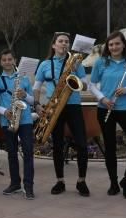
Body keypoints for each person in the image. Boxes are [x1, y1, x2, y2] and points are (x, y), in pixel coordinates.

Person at [33, 32, 90, 196]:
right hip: (54, 108)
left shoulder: (76, 63)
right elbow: (36, 88)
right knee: (57, 145)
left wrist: (72, 75)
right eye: (60, 41)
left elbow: (85, 86)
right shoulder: (44, 64)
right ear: (53, 45)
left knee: (81, 144)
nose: (64, 44)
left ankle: (81, 181)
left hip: (73, 106)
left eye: (66, 41)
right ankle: (60, 181)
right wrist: (36, 104)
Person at [89, 31, 126, 198]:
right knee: (110, 147)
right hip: (105, 108)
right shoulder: (101, 62)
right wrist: (102, 98)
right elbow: (91, 85)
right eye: (111, 44)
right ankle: (113, 183)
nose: (114, 47)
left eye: (117, 43)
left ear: (124, 45)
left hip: (125, 107)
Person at [0, 50, 36, 200]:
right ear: (0, 62)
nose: (7, 62)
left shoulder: (24, 78)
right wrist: (4, 112)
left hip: (26, 119)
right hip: (7, 119)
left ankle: (29, 187)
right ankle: (15, 183)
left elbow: (32, 101)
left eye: (10, 59)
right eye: (4, 60)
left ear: (15, 60)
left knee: (28, 152)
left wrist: (25, 95)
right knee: (12, 154)